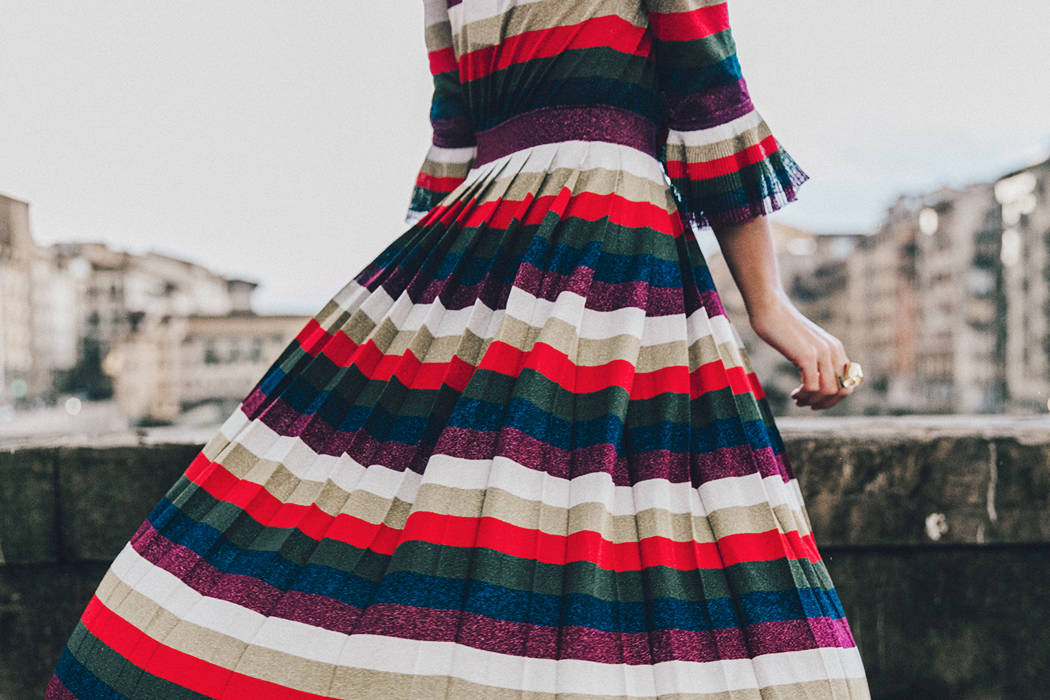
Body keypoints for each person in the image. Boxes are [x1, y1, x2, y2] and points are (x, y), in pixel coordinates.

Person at [46, 0, 870, 698]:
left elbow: (454, 142)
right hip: (604, 237)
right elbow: (709, 94)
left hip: (480, 228)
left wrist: (430, 319)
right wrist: (771, 307)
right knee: (635, 536)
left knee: (364, 517)